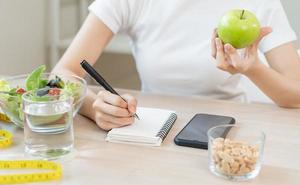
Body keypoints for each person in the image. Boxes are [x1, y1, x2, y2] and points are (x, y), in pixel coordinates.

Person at [53, 0, 300, 130]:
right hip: (150, 130)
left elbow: (297, 94)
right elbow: (63, 73)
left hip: (226, 133)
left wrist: (254, 69)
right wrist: (92, 106)